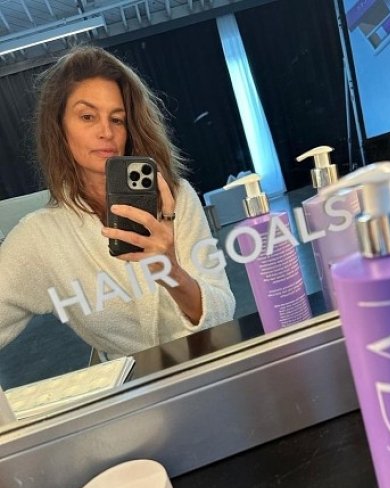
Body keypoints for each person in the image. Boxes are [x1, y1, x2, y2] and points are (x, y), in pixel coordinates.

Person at [0, 46, 235, 358]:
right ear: (58, 127)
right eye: (87, 116)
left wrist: (170, 270)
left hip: (207, 364)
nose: (106, 131)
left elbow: (223, 311)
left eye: (118, 119)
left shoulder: (175, 198)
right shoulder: (40, 237)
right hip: (130, 383)